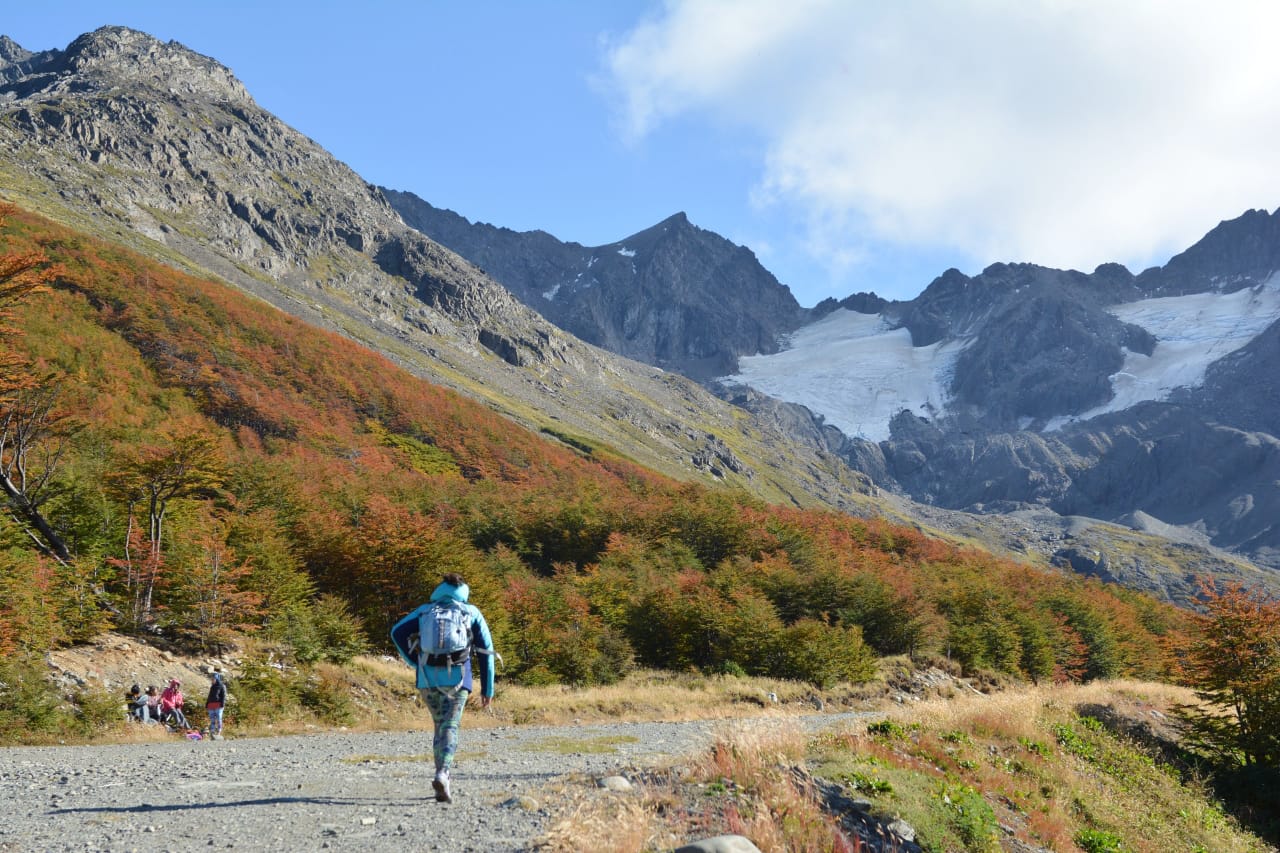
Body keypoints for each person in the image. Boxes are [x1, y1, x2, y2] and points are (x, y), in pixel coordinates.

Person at [390, 573, 497, 804]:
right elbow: (487, 652)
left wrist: (414, 662)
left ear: (440, 589)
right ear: (464, 592)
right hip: (458, 678)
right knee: (451, 725)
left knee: (439, 725)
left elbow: (396, 632)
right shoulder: (471, 612)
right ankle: (443, 773)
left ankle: (441, 773)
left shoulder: (425, 611)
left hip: (427, 679)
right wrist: (488, 688)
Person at [205, 667, 227, 740]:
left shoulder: (222, 686)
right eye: (211, 679)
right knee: (212, 719)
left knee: (218, 718)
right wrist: (207, 703)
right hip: (211, 705)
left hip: (218, 705)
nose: (212, 680)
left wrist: (222, 704)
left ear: (217, 678)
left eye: (213, 679)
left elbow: (223, 696)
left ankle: (219, 731)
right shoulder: (212, 687)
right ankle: (212, 731)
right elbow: (209, 695)